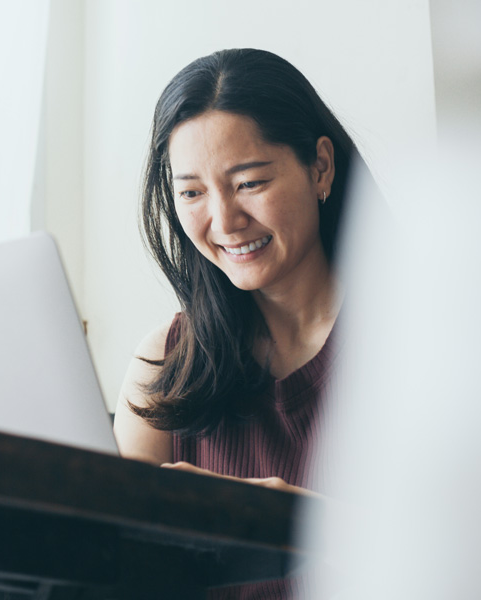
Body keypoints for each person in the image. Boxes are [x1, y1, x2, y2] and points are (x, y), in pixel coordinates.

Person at [112, 48, 363, 598]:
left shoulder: (425, 342)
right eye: (193, 193)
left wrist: (291, 521)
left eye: (249, 182)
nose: (224, 222)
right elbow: (117, 570)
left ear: (320, 167)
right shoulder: (165, 365)